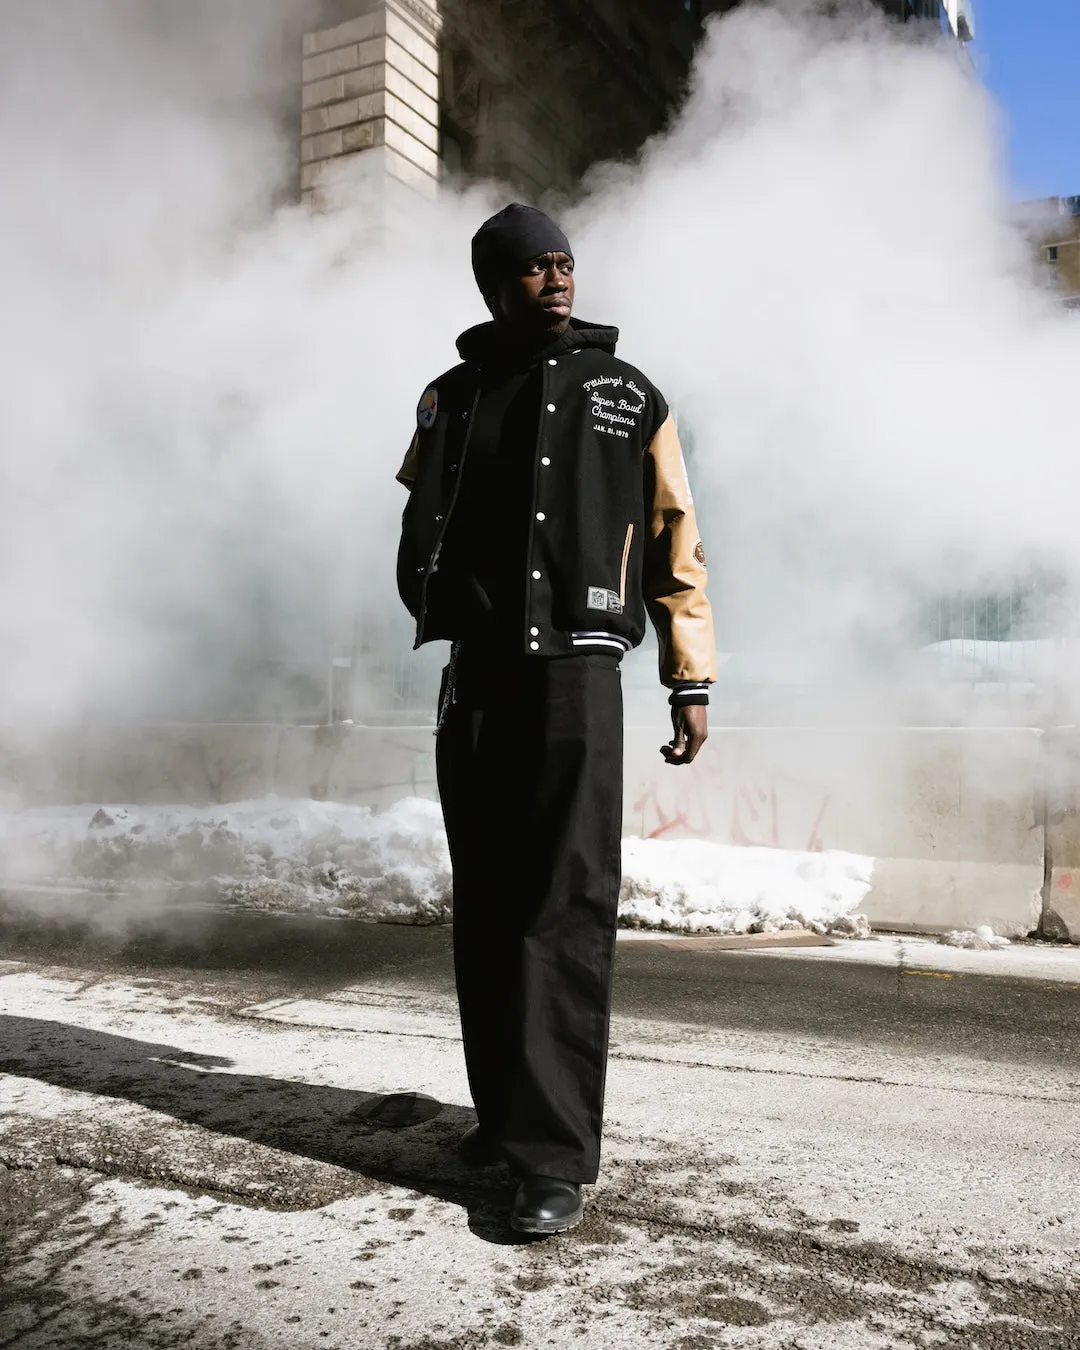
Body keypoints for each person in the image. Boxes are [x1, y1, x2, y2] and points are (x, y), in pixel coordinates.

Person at [396, 203, 716, 1236]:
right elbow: (418, 518)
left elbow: (676, 541)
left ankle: (555, 1159)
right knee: (488, 903)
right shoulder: (451, 396)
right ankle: (505, 1116)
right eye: (533, 268)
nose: (556, 279)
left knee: (561, 907)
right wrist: (428, 595)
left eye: (564, 263)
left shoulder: (627, 393)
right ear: (495, 285)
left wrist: (689, 674)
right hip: (477, 677)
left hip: (577, 675)